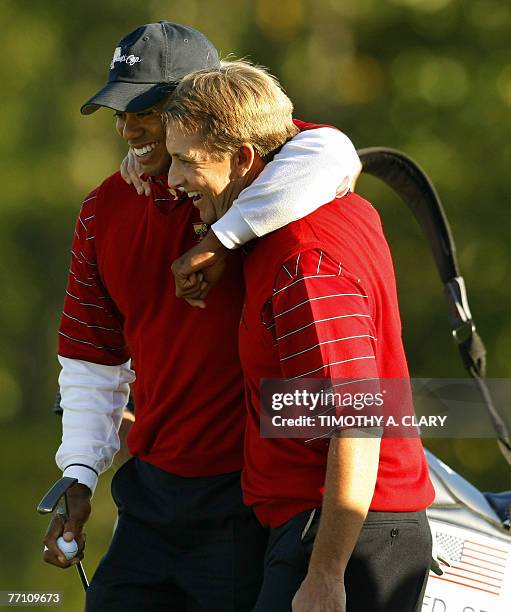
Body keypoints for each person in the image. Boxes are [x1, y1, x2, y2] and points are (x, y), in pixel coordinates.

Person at [42, 21, 362, 612]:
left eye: (147, 110)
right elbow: (92, 357)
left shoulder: (263, 187)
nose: (129, 128)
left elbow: (333, 150)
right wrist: (81, 470)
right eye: (120, 111)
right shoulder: (101, 210)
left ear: (200, 107)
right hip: (152, 497)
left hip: (247, 498)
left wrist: (222, 237)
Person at [164, 60, 435, 612]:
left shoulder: (303, 260)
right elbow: (314, 140)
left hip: (347, 540)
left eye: (185, 162)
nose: (172, 181)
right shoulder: (306, 206)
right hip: (331, 528)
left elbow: (359, 418)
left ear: (244, 159)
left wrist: (326, 574)